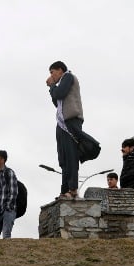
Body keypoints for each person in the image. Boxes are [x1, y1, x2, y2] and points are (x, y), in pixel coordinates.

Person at [46, 60, 97, 199]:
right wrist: (52, 88)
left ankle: (73, 188)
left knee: (70, 155)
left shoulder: (68, 77)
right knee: (63, 158)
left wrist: (51, 85)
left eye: (52, 72)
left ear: (60, 70)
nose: (51, 76)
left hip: (71, 121)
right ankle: (65, 189)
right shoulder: (62, 82)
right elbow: (56, 102)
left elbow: (59, 94)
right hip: (62, 122)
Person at [0, 150, 18, 239]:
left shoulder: (9, 172)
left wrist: (8, 207)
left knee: (6, 235)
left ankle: (7, 253)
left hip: (8, 211)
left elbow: (13, 192)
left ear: (2, 160)